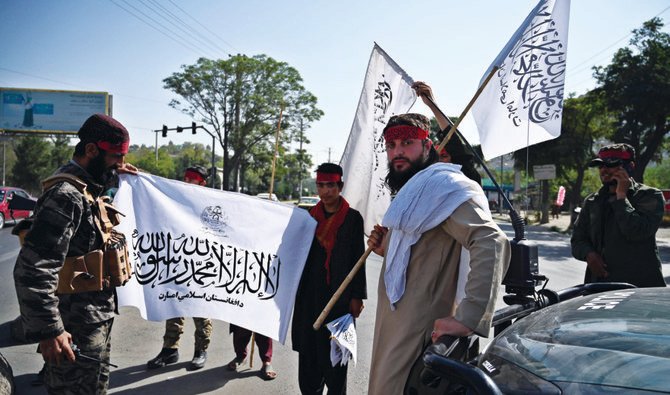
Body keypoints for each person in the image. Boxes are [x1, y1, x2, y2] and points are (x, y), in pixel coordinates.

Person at [366, 113, 510, 394]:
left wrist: (468, 317)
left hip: (418, 331)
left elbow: (490, 239)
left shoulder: (444, 186)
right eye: (391, 145)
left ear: (427, 146)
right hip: (393, 325)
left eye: (407, 142)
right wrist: (388, 249)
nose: (397, 152)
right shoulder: (415, 191)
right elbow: (427, 254)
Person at [13, 113, 137, 394]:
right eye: (115, 157)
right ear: (91, 150)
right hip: (74, 327)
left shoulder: (88, 188)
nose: (118, 164)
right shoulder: (65, 196)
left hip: (95, 320)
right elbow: (33, 270)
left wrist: (119, 171)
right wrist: (51, 331)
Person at [291, 163, 366, 394]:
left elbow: (358, 259)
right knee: (309, 366)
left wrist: (357, 296)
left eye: (330, 185)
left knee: (335, 366)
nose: (325, 191)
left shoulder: (353, 219)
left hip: (339, 303)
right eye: (321, 185)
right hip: (308, 302)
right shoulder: (307, 219)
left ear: (340, 186)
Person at [571, 143, 666, 287]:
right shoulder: (592, 201)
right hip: (600, 287)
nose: (604, 170)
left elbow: (637, 232)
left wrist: (621, 197)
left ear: (630, 166)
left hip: (640, 288)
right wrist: (589, 254)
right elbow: (577, 240)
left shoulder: (650, 196)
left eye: (611, 164)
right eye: (601, 165)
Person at [146, 165, 213, 371]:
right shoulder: (175, 199)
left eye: (191, 179)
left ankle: (201, 350)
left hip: (201, 264)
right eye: (185, 178)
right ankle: (170, 350)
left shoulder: (210, 202)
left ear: (202, 182)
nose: (186, 181)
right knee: (174, 306)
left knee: (201, 309)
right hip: (177, 261)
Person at [412, 81, 481, 184]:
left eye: (444, 156)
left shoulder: (467, 180)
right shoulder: (423, 183)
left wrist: (432, 105)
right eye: (436, 157)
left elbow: (453, 142)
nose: (438, 161)